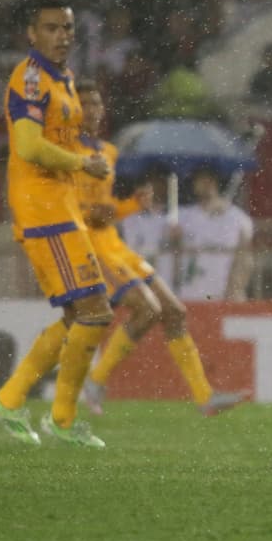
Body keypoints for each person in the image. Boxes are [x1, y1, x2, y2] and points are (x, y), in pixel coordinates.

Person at [72, 80, 247, 416]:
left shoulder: (106, 153)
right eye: (86, 105)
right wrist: (90, 214)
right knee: (147, 311)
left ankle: (204, 398)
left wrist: (132, 205)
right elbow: (64, 206)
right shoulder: (66, 154)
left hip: (115, 245)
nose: (94, 111)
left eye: (97, 104)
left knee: (175, 312)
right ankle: (95, 380)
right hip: (93, 248)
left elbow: (106, 207)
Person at [0, 0, 112, 447]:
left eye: (68, 28)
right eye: (52, 28)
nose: (62, 36)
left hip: (62, 208)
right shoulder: (31, 77)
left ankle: (12, 400)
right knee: (95, 311)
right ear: (32, 34)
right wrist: (81, 163)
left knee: (82, 313)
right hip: (44, 211)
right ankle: (58, 419)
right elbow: (30, 146)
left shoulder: (67, 79)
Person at [172, 167, 255, 301]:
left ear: (216, 181)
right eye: (200, 179)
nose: (205, 183)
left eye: (208, 179)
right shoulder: (183, 216)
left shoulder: (239, 219)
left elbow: (244, 259)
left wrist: (235, 288)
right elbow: (172, 256)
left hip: (222, 294)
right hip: (188, 294)